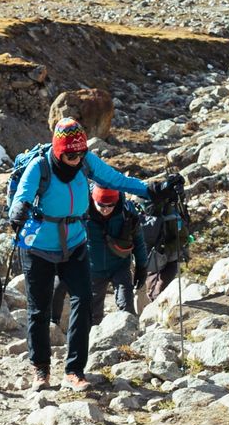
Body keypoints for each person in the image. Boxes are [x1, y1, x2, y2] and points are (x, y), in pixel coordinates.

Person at [10, 118, 175, 392]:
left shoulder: (87, 161)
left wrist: (152, 190)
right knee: (39, 309)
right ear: (58, 149)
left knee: (84, 300)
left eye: (80, 153)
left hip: (74, 243)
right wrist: (18, 211)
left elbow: (116, 180)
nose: (76, 160)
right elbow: (22, 196)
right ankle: (41, 369)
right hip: (38, 246)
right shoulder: (39, 167)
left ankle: (74, 371)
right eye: (70, 154)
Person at [53, 184, 147, 324]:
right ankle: (94, 343)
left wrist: (142, 267)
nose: (106, 209)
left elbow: (138, 240)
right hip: (93, 269)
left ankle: (129, 342)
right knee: (93, 315)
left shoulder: (126, 212)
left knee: (126, 308)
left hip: (120, 266)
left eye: (110, 205)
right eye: (101, 205)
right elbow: (65, 236)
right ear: (93, 199)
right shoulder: (81, 211)